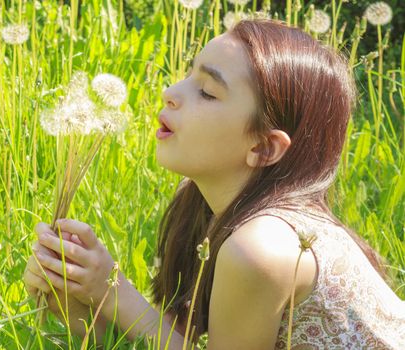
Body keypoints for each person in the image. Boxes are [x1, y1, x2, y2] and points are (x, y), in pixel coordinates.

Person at [23, 19, 405, 349]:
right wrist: (77, 303)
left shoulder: (262, 248)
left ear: (263, 147)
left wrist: (113, 291)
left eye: (207, 91)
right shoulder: (203, 206)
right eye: (188, 76)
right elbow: (175, 340)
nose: (170, 93)